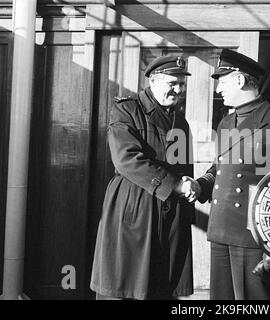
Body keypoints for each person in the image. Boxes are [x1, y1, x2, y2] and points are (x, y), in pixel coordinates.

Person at [185, 49, 270, 300]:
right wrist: (200, 185)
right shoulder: (226, 123)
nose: (219, 90)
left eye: (222, 82)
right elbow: (219, 169)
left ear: (239, 80)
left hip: (253, 236)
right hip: (220, 229)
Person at [90, 55, 196, 300]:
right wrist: (176, 185)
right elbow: (127, 159)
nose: (178, 90)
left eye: (182, 84)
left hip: (169, 214)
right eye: (173, 83)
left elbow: (183, 168)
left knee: (161, 288)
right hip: (133, 208)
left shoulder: (180, 121)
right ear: (154, 81)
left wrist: (188, 189)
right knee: (124, 287)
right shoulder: (127, 109)